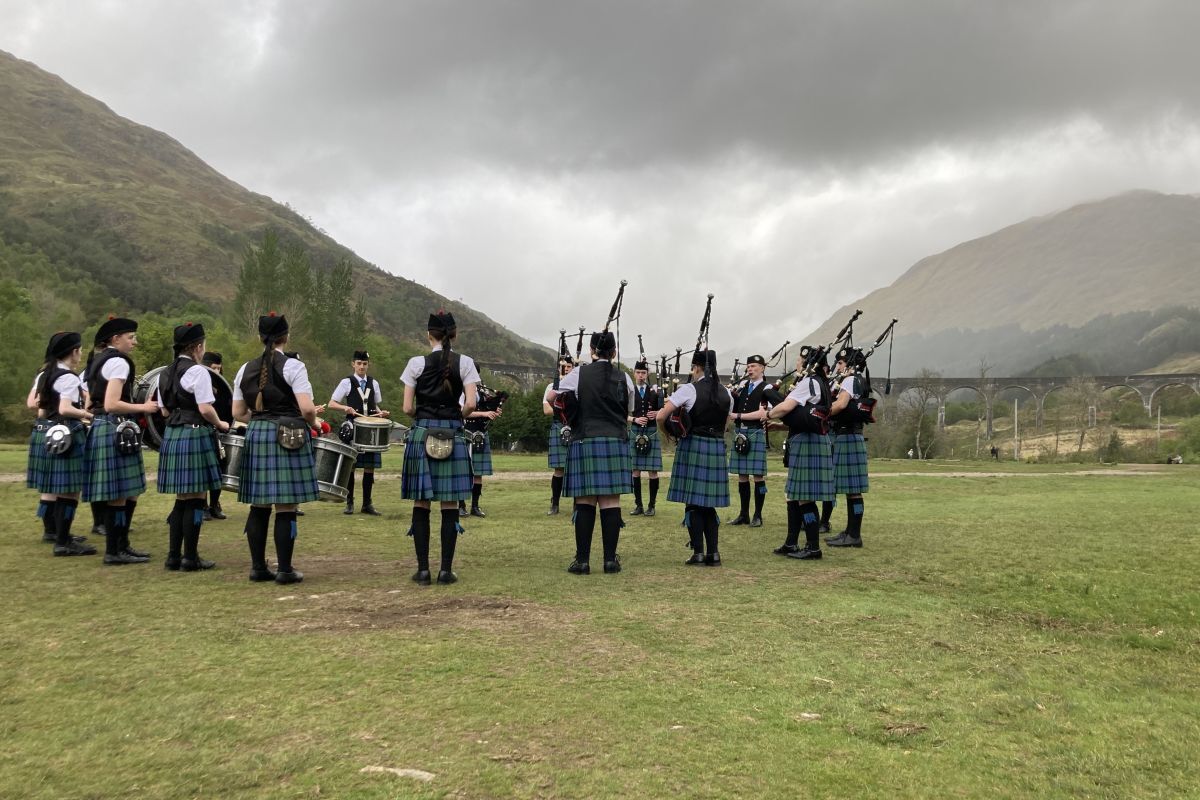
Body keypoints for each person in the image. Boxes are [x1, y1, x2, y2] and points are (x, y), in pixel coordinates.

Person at [232, 313, 321, 584]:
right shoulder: (294, 367)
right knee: (286, 506)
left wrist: (260, 422)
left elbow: (238, 412)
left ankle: (258, 568)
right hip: (288, 434)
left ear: (260, 337)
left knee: (259, 504)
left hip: (257, 433)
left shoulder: (244, 368)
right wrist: (315, 423)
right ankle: (284, 569)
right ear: (286, 337)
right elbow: (306, 408)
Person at [400, 311, 479, 585]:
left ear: (428, 335)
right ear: (454, 335)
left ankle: (423, 571)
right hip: (453, 432)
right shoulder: (466, 363)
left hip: (423, 432)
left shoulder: (415, 363)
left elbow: (407, 407)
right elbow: (470, 404)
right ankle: (446, 570)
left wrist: (422, 418)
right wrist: (457, 414)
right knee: (449, 503)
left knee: (421, 502)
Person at [551, 331, 634, 574]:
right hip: (615, 440)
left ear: (591, 351)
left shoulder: (579, 373)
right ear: (614, 353)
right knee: (610, 500)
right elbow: (627, 409)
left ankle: (583, 561)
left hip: (585, 439)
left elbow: (552, 396)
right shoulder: (625, 378)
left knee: (585, 499)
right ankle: (610, 560)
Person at [83, 316, 158, 565]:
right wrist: (144, 406)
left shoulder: (98, 361)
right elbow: (112, 403)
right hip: (115, 427)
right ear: (115, 339)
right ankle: (114, 551)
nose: (134, 342)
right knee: (121, 493)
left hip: (103, 427)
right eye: (131, 337)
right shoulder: (118, 362)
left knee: (129, 492)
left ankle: (122, 545)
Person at [157, 323, 230, 571]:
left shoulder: (164, 373)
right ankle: (190, 557)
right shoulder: (198, 372)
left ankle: (173, 556)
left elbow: (164, 410)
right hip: (195, 434)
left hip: (173, 434)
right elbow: (205, 408)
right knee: (197, 499)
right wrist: (221, 423)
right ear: (198, 347)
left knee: (181, 499)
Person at [658, 349, 732, 565]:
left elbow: (662, 415)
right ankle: (714, 553)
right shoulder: (726, 393)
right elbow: (726, 423)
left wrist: (669, 434)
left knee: (693, 502)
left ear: (697, 367)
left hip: (693, 445)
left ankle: (698, 552)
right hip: (716, 447)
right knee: (708, 504)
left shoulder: (689, 389)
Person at [28, 332, 96, 556]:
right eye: (80, 349)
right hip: (68, 430)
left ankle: (55, 533)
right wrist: (86, 413)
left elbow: (39, 407)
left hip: (49, 430)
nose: (81, 353)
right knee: (69, 490)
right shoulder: (68, 377)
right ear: (73, 352)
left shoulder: (45, 374)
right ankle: (63, 541)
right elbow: (66, 408)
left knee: (53, 487)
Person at [767, 348, 835, 560]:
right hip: (811, 439)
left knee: (804, 497)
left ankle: (813, 547)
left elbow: (785, 407)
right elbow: (805, 417)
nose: (797, 363)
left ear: (808, 364)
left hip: (807, 442)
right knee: (794, 495)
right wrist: (780, 427)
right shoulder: (822, 383)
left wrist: (768, 414)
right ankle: (791, 542)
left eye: (800, 360)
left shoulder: (809, 382)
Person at [328, 350, 390, 516]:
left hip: (370, 430)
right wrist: (345, 407)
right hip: (353, 428)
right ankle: (349, 503)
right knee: (351, 466)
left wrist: (380, 412)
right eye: (359, 363)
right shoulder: (346, 382)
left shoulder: (373, 383)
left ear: (368, 365)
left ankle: (367, 504)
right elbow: (331, 404)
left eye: (365, 364)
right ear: (353, 364)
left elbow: (374, 406)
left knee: (369, 468)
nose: (362, 366)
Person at [825, 347, 870, 548]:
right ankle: (850, 531)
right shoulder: (859, 380)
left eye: (841, 363)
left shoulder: (850, 380)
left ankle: (855, 535)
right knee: (851, 489)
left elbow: (841, 404)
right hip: (852, 436)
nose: (838, 367)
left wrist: (820, 413)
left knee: (853, 490)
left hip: (848, 436)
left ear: (850, 365)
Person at [728, 354, 771, 527]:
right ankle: (743, 514)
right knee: (742, 475)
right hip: (740, 433)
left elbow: (762, 414)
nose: (750, 369)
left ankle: (758, 515)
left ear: (762, 368)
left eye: (754, 366)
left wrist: (737, 415)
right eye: (749, 366)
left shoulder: (767, 387)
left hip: (755, 432)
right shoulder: (743, 386)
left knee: (758, 476)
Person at [628, 359, 663, 517]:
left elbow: (664, 411)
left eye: (643, 373)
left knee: (652, 471)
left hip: (651, 431)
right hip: (635, 430)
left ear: (647, 374)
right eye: (638, 372)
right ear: (634, 373)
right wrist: (633, 419)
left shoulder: (655, 392)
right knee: (635, 471)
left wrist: (657, 413)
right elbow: (620, 413)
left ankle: (652, 505)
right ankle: (638, 505)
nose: (641, 375)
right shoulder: (629, 391)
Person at [200, 351, 233, 520]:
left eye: (219, 369)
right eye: (213, 368)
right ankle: (203, 505)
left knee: (218, 468)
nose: (217, 372)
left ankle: (214, 504)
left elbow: (229, 409)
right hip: (202, 430)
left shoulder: (223, 388)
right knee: (204, 470)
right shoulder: (198, 381)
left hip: (219, 432)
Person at [461, 387, 502, 517]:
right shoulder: (460, 390)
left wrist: (493, 411)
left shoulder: (481, 393)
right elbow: (462, 412)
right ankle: (461, 506)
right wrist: (484, 414)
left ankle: (475, 506)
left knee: (478, 473)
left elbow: (484, 409)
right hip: (465, 432)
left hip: (481, 433)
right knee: (462, 472)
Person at [542, 355, 574, 515]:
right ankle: (555, 503)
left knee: (575, 468)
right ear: (558, 369)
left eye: (569, 366)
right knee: (559, 469)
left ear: (573, 368)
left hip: (574, 427)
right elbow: (546, 410)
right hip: (558, 426)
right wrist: (563, 407)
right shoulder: (551, 387)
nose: (566, 369)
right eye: (563, 366)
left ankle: (578, 504)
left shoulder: (577, 387)